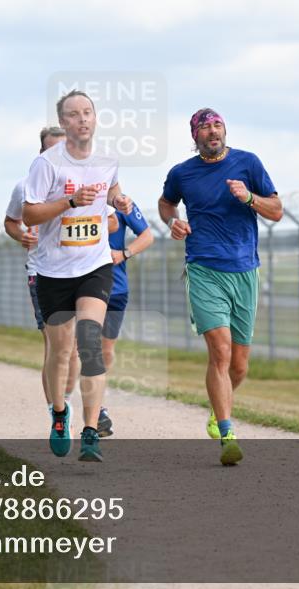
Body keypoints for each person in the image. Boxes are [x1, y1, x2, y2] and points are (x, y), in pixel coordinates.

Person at [158, 108, 283, 466]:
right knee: (221, 351)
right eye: (205, 127)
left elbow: (276, 210)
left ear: (224, 130)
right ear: (195, 136)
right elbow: (166, 203)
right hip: (203, 269)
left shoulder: (248, 163)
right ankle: (227, 434)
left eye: (217, 125)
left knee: (239, 366)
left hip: (245, 270)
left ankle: (218, 409)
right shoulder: (182, 173)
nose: (212, 131)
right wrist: (173, 221)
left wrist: (249, 198)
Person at [23, 90, 134, 463]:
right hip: (53, 269)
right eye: (74, 114)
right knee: (60, 351)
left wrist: (119, 201)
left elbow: (113, 190)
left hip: (95, 265)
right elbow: (30, 214)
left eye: (88, 112)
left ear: (95, 118)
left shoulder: (108, 159)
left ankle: (90, 431)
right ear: (63, 122)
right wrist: (70, 202)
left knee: (89, 343)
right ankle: (59, 414)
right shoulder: (47, 164)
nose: (82, 119)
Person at [4, 127, 82, 417]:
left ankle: (65, 403)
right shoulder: (25, 186)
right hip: (42, 271)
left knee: (75, 346)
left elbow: (109, 221)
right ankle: (56, 411)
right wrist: (21, 236)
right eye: (52, 150)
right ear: (41, 154)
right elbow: (10, 221)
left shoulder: (82, 183)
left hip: (79, 270)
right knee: (55, 343)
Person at [99, 200, 155, 437]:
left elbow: (147, 235)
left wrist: (124, 253)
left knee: (105, 351)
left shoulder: (121, 202)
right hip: (79, 283)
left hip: (115, 288)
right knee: (80, 347)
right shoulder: (73, 197)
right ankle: (80, 408)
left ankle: (97, 404)